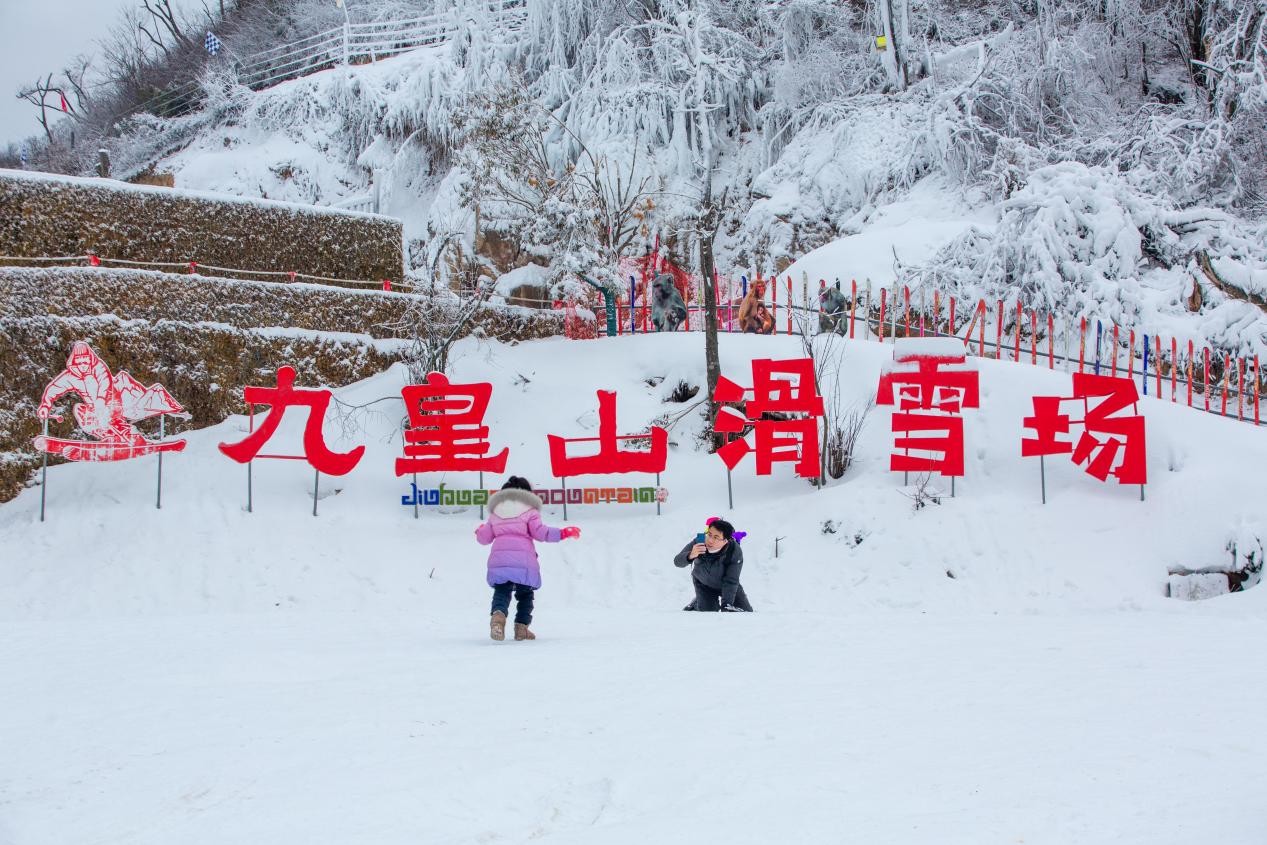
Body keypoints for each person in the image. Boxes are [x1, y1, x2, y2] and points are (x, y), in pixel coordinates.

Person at [475, 476, 580, 641]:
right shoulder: (530, 512)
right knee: (525, 595)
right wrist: (562, 533)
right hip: (523, 562)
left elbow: (484, 538)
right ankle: (521, 628)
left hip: (500, 560)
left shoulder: (496, 514)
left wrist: (480, 531)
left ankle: (498, 618)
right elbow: (541, 532)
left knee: (502, 591)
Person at [673, 517, 753, 612]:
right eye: (709, 535)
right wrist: (690, 555)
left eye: (716, 537)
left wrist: (726, 605)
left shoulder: (734, 551)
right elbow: (677, 562)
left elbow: (731, 580)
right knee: (709, 612)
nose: (710, 540)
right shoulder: (699, 541)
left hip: (726, 585)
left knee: (746, 612)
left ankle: (706, 602)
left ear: (726, 540)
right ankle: (696, 604)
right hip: (703, 584)